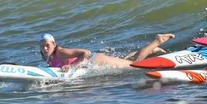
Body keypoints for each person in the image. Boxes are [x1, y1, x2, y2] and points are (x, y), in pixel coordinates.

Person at [39, 33, 174, 71]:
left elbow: (85, 53)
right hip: (94, 61)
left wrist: (72, 66)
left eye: (47, 46)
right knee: (126, 59)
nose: (45, 49)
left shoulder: (61, 52)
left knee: (134, 64)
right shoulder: (49, 56)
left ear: (54, 44)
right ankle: (151, 51)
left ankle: (157, 40)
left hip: (95, 60)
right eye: (42, 46)